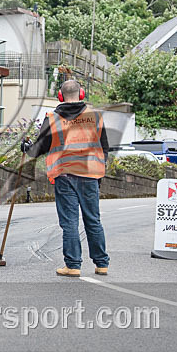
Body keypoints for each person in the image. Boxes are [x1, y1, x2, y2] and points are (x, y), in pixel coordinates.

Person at [22, 80, 110, 277]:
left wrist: (26, 147)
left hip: (65, 175)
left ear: (60, 96)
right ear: (81, 93)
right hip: (90, 174)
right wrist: (99, 175)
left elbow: (37, 150)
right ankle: (101, 264)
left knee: (70, 222)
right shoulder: (95, 117)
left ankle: (73, 265)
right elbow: (104, 148)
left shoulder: (52, 119)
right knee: (93, 220)